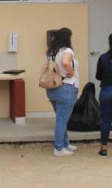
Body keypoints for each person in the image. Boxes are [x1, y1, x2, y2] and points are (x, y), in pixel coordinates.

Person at [45, 27, 79, 157]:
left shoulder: (51, 52)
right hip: (66, 87)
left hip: (52, 89)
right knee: (62, 119)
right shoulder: (68, 50)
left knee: (61, 118)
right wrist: (71, 72)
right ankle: (59, 148)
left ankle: (65, 143)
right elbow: (65, 62)